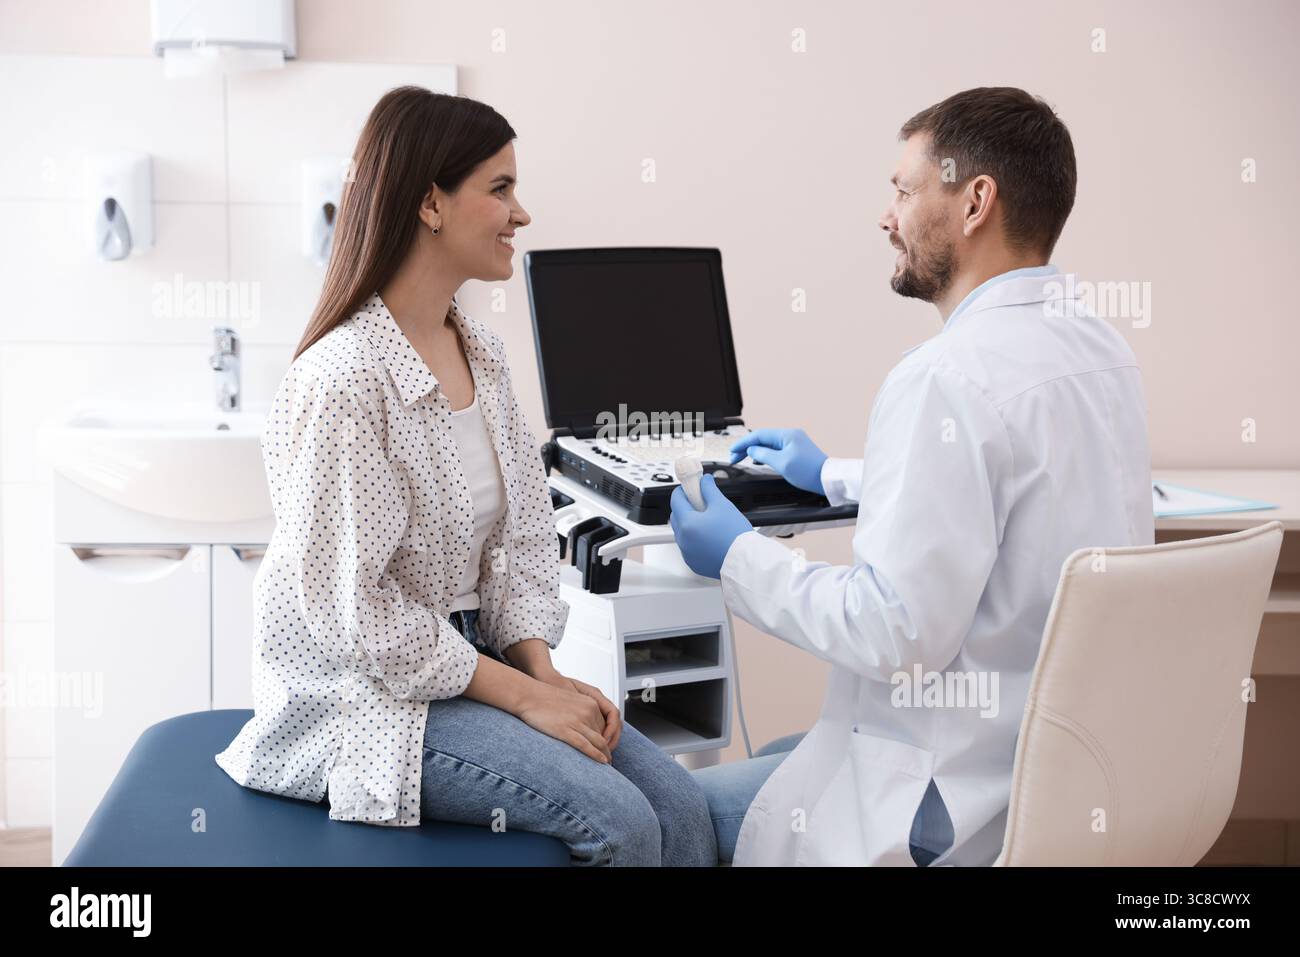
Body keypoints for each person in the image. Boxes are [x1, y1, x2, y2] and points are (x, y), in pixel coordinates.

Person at [215, 87, 717, 866]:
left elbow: (518, 543)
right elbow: (360, 616)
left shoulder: (479, 352)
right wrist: (526, 696)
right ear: (430, 204)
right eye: (500, 189)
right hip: (369, 699)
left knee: (683, 809)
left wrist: (546, 674)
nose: (522, 215)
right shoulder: (345, 379)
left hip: (474, 661)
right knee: (623, 822)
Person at [673, 87, 1154, 866]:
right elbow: (1017, 491)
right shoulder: (1099, 351)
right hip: (1050, 794)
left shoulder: (945, 376)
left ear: (974, 203)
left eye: (903, 190)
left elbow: (890, 630)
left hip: (940, 816)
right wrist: (831, 472)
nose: (886, 215)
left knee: (667, 812)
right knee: (792, 752)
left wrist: (736, 557)